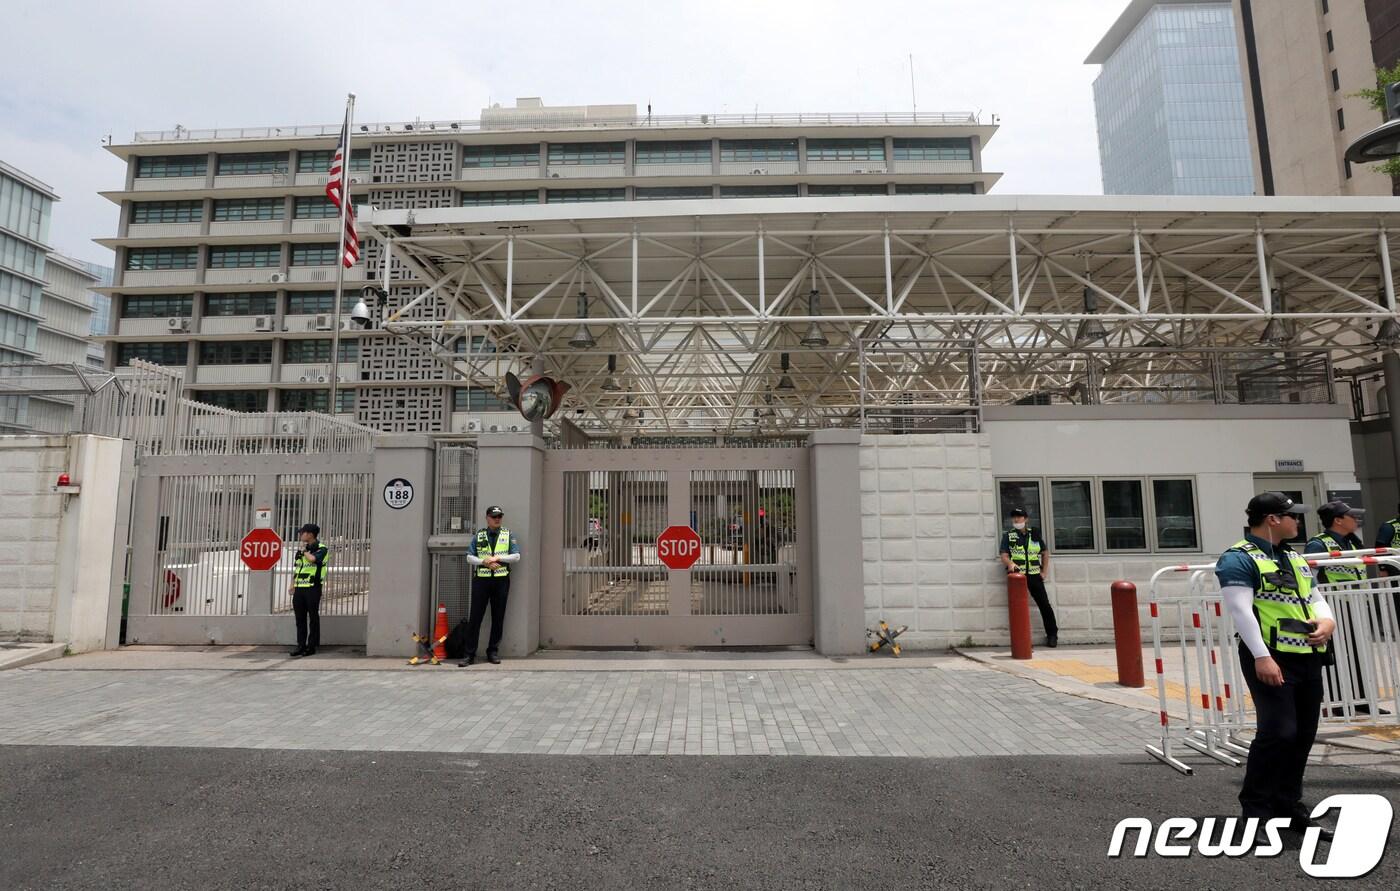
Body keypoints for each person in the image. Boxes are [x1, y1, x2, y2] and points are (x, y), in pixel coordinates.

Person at [1216, 492, 1336, 840]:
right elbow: (1241, 612)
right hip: (1270, 656)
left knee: (1302, 735)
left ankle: (1289, 806)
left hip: (1306, 656)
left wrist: (1327, 622)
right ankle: (1256, 812)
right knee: (1278, 732)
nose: (1297, 522)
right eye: (1291, 516)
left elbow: (1316, 599)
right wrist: (1262, 656)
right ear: (1272, 519)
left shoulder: (1293, 557)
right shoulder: (1238, 559)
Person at [459, 505, 520, 666]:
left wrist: (497, 558)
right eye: (494, 516)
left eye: (499, 516)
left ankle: (492, 652)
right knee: (475, 618)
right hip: (481, 581)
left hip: (501, 581)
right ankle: (469, 655)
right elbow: (469, 558)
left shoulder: (508, 535)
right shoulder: (479, 536)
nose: (497, 519)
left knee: (498, 618)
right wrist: (483, 562)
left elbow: (516, 556)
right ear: (487, 518)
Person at [998, 507, 1059, 648]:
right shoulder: (1008, 535)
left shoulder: (1034, 534)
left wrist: (1044, 572)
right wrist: (1010, 563)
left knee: (1044, 605)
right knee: (1019, 607)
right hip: (1017, 576)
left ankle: (1052, 635)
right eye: (1014, 517)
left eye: (1019, 517)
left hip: (1034, 575)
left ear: (1025, 519)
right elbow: (1004, 555)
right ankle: (1023, 640)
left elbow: (1044, 553)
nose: (1016, 519)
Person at [288, 523, 329, 658]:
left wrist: (305, 551)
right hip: (300, 589)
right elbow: (297, 568)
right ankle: (301, 646)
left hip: (313, 588)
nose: (301, 535)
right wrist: (292, 584)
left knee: (313, 618)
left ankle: (311, 647)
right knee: (300, 619)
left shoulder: (321, 549)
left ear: (310, 534)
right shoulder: (302, 551)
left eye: (303, 532)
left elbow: (312, 559)